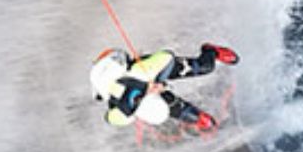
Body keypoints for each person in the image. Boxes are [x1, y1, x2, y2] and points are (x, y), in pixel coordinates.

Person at [90, 43, 238, 133]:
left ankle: (211, 51)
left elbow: (167, 57)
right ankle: (196, 118)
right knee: (195, 117)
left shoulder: (141, 72)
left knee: (205, 67)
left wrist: (152, 85)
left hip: (149, 70)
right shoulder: (125, 114)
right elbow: (111, 116)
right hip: (139, 86)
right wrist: (152, 90)